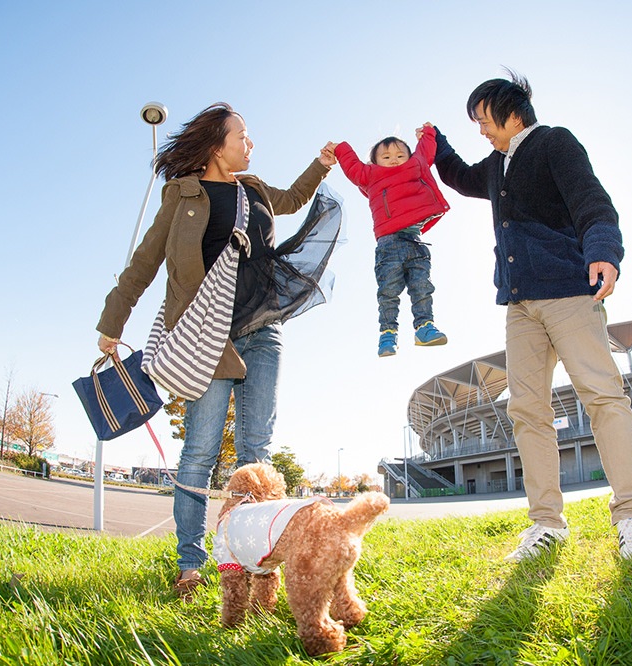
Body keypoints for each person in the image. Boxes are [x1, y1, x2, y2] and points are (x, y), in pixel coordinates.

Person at [95, 102, 339, 598]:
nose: (251, 143)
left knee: (256, 451)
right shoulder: (182, 196)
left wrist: (322, 164)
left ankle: (256, 562)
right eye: (243, 135)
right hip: (209, 336)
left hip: (263, 330)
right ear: (216, 146)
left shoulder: (254, 189)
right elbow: (143, 265)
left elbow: (292, 199)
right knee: (201, 450)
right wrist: (111, 324)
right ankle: (190, 564)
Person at [431, 71, 632, 561]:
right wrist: (436, 143)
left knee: (602, 395)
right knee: (527, 411)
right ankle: (546, 525)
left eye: (484, 120)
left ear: (511, 111)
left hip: (570, 293)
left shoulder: (554, 143)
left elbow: (592, 201)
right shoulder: (495, 166)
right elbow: (458, 175)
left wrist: (603, 251)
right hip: (519, 304)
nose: (482, 131)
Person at [334, 125, 450, 357]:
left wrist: (428, 134)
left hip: (415, 241)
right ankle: (388, 333)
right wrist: (340, 149)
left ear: (409, 156)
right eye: (386, 157)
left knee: (422, 286)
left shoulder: (415, 164)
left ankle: (424, 327)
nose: (394, 160)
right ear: (375, 162)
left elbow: (426, 152)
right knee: (389, 291)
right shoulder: (371, 174)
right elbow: (353, 168)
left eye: (400, 155)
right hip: (389, 244)